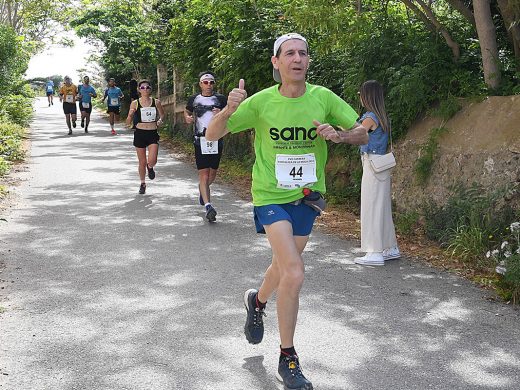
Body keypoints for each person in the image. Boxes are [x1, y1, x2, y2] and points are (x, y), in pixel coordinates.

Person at [206, 33, 368, 390]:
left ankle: (257, 300)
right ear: (276, 63)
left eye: (303, 53)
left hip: (307, 198)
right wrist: (229, 109)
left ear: (308, 61)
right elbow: (213, 133)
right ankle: (288, 357)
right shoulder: (262, 102)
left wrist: (340, 136)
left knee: (283, 266)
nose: (297, 58)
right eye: (289, 53)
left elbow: (363, 132)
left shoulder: (322, 97)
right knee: (294, 272)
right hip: (269, 196)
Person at [354, 80, 400, 266]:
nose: (359, 96)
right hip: (381, 165)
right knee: (382, 209)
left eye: (361, 93)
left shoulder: (370, 117)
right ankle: (389, 248)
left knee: (371, 208)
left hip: (372, 165)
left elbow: (356, 133)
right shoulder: (381, 115)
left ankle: (374, 252)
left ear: (368, 96)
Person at [184, 71, 227, 222]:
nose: (209, 85)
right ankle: (208, 206)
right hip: (200, 139)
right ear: (200, 84)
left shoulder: (221, 99)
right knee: (204, 175)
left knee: (212, 174)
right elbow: (187, 111)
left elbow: (232, 114)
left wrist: (221, 112)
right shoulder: (194, 99)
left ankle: (203, 190)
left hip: (217, 139)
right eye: (206, 82)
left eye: (211, 82)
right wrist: (187, 117)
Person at [126, 80, 165, 195]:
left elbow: (162, 115)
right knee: (142, 162)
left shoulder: (156, 102)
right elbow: (127, 122)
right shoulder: (135, 103)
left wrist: (160, 121)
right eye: (142, 88)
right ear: (139, 89)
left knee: (153, 159)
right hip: (140, 133)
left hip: (152, 133)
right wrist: (130, 115)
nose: (145, 89)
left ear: (150, 89)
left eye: (147, 87)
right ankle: (142, 183)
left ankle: (150, 166)